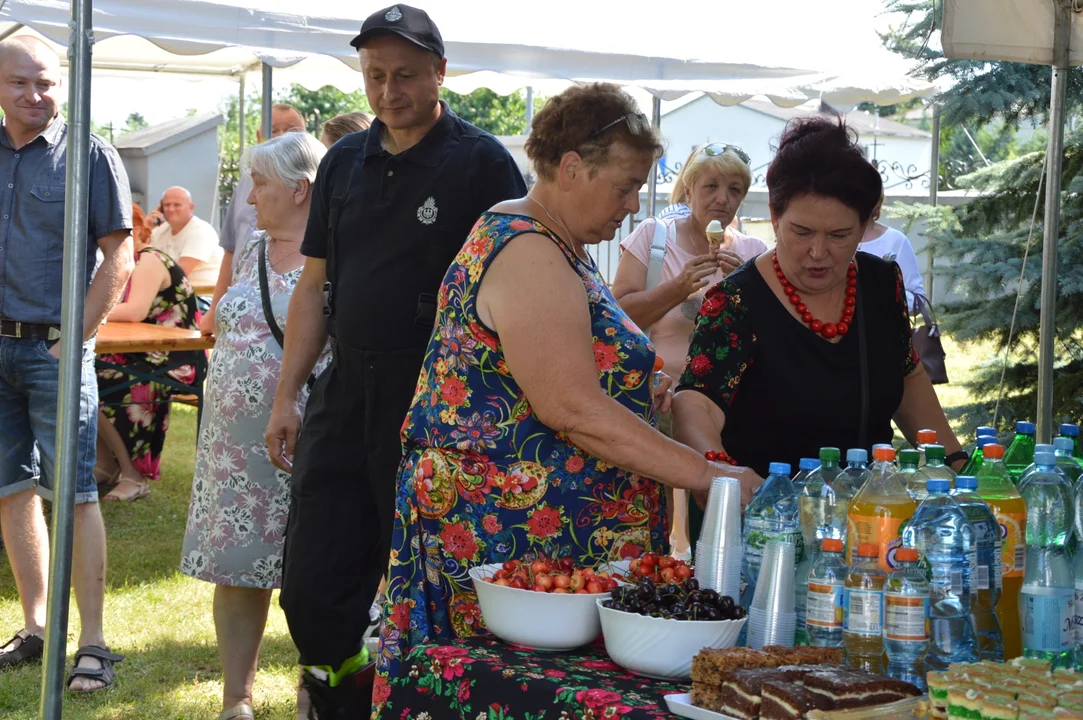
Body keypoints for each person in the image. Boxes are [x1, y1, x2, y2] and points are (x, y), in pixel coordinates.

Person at [371, 81, 744, 716]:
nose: (632, 205)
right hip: (510, 545)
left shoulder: (554, 242)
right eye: (624, 186)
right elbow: (570, 408)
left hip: (544, 546)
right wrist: (708, 476)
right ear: (571, 168)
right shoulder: (529, 251)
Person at [265, 5, 527, 717]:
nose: (387, 91)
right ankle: (335, 686)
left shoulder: (481, 164)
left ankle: (417, 697)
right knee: (314, 573)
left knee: (423, 571)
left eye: (404, 75)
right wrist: (288, 394)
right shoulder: (344, 161)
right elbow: (315, 286)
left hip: (436, 401)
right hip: (346, 388)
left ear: (440, 73)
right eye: (375, 75)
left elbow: (518, 288)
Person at [672, 116, 967, 550]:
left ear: (866, 226)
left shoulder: (882, 283)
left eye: (839, 235)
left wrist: (957, 467)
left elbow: (906, 377)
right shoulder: (736, 302)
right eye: (802, 231)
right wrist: (718, 472)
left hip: (869, 529)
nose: (817, 252)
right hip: (761, 533)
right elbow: (694, 404)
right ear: (774, 217)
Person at [180, 132, 331, 720]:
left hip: (303, 439)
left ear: (300, 189)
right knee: (237, 571)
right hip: (231, 447)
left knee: (313, 574)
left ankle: (311, 694)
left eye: (261, 182)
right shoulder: (252, 251)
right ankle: (236, 700)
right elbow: (221, 319)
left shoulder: (335, 258)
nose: (250, 195)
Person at [0, 36, 134, 692]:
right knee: (10, 488)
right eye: (21, 83)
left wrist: (72, 338)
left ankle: (94, 645)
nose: (35, 94)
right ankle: (36, 628)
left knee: (77, 493)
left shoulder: (88, 153)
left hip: (55, 347)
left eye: (46, 83)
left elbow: (119, 256)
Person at [612, 141, 766, 560]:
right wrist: (677, 288)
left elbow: (770, 335)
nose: (722, 199)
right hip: (657, 403)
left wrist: (748, 290)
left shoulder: (753, 254)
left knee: (712, 526)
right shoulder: (654, 236)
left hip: (723, 412)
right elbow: (616, 315)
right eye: (711, 186)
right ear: (688, 190)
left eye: (734, 190)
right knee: (654, 523)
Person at [95, 202, 201, 502]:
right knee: (81, 376)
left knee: (99, 381)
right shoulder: (129, 262)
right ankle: (107, 465)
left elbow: (134, 311)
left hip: (175, 357)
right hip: (146, 351)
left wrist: (85, 311)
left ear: (138, 231)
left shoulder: (149, 260)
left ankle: (134, 476)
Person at [202, 104, 306, 335]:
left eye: (292, 129)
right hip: (242, 300)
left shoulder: (307, 189)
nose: (282, 136)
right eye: (274, 129)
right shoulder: (244, 186)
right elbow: (230, 251)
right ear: (260, 136)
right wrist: (215, 310)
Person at [860, 186, 926, 311]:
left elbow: (918, 300)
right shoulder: (829, 240)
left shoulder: (896, 241)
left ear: (878, 200)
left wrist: (886, 295)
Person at [145, 185, 224, 291]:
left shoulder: (200, 230)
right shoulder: (160, 230)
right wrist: (145, 228)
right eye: (166, 205)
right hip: (173, 293)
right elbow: (140, 259)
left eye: (177, 205)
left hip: (201, 295)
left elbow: (180, 273)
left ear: (191, 207)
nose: (171, 209)